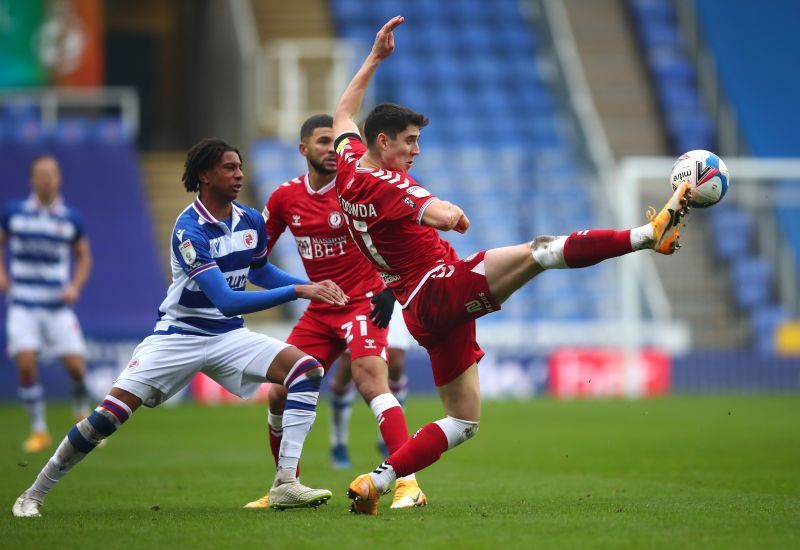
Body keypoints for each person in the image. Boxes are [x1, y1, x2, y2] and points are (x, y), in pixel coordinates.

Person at [332, 16, 692, 514]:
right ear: (383, 142)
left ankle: (381, 480)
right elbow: (436, 211)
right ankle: (646, 235)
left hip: (420, 313)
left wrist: (374, 59)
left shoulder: (348, 168)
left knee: (464, 421)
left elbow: (342, 114)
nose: (416, 151)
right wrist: (453, 216)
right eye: (409, 141)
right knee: (542, 251)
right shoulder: (390, 186)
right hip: (438, 289)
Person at [12, 138, 349, 518]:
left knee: (306, 369)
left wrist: (310, 289)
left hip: (228, 336)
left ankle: (286, 482)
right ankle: (34, 493)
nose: (239, 174)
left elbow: (260, 270)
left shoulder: (251, 220)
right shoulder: (189, 229)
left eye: (240, 167)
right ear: (205, 175)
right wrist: (300, 289)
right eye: (229, 168)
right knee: (106, 418)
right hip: (179, 337)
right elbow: (226, 299)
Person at [242, 115, 426, 511]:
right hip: (319, 309)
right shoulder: (284, 198)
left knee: (370, 380)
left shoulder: (358, 187)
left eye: (335, 141)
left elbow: (408, 240)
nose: (331, 148)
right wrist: (302, 286)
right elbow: (257, 263)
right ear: (303, 149)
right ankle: (284, 484)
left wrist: (392, 289)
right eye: (323, 141)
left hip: (364, 302)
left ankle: (408, 482)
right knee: (278, 390)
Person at [0, 155, 92, 454]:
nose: (46, 179)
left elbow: (83, 256)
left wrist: (75, 287)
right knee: (26, 363)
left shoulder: (69, 218)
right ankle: (39, 430)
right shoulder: (15, 213)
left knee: (77, 368)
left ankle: (80, 412)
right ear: (32, 180)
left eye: (51, 174)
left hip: (56, 306)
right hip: (23, 304)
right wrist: (2, 275)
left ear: (59, 179)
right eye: (41, 174)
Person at [327, 297, 413, 468]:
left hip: (387, 290)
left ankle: (387, 441)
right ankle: (338, 443)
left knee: (396, 362)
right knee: (346, 367)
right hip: (355, 292)